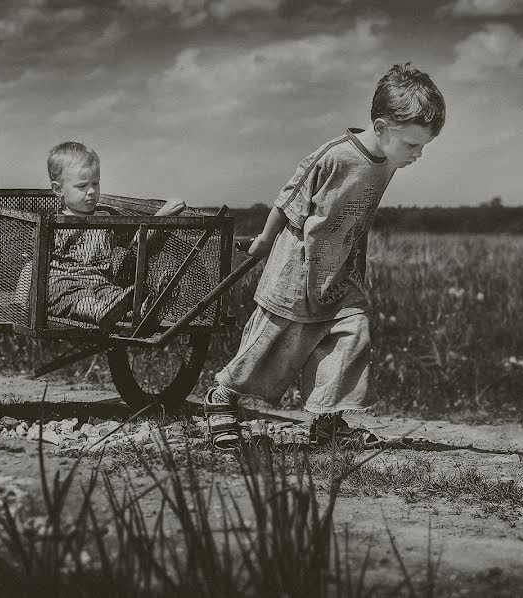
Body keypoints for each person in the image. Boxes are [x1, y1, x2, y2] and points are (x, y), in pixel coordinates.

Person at [205, 63, 446, 450]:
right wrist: (264, 242)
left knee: (351, 333)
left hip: (340, 270)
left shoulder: (387, 162)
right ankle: (222, 397)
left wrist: (354, 264)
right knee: (274, 338)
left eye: (423, 147)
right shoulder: (334, 157)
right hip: (297, 268)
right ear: (382, 128)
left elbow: (358, 218)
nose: (417, 155)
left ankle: (328, 421)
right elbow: (289, 198)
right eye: (412, 145)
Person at [45, 141, 185, 329]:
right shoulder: (51, 223)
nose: (92, 191)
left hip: (100, 283)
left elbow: (137, 239)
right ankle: (99, 311)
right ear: (58, 190)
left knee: (116, 294)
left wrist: (162, 216)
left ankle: (141, 310)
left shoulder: (107, 218)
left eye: (95, 183)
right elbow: (32, 266)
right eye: (82, 186)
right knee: (65, 296)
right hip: (64, 284)